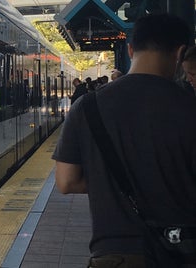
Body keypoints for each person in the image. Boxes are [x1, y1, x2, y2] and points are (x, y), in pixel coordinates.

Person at [53, 13, 195, 267]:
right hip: (181, 252)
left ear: (130, 50)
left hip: (114, 254)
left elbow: (66, 181)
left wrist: (108, 184)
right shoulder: (189, 105)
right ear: (180, 52)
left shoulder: (87, 107)